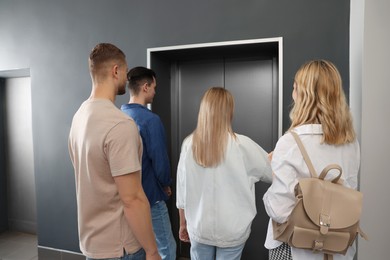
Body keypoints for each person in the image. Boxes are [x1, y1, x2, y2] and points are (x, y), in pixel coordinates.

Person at [68, 43, 161, 260]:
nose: (126, 78)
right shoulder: (120, 124)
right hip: (121, 248)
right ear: (115, 71)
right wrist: (152, 251)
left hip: (92, 245)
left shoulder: (79, 117)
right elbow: (132, 199)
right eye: (125, 71)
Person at [263, 60, 360, 260]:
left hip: (294, 249)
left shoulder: (290, 142)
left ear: (303, 95)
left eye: (294, 88)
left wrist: (271, 172)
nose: (292, 94)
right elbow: (347, 196)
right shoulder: (351, 143)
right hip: (337, 247)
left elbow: (280, 210)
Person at [176, 87, 273, 260]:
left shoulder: (188, 145)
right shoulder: (243, 145)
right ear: (229, 111)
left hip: (199, 227)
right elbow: (272, 173)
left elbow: (182, 192)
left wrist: (182, 223)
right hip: (232, 230)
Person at [121, 67, 176, 260]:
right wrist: (166, 184)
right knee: (166, 249)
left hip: (125, 199)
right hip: (151, 197)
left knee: (138, 249)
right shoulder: (150, 120)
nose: (155, 91)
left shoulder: (119, 117)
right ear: (145, 87)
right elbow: (160, 161)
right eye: (154, 87)